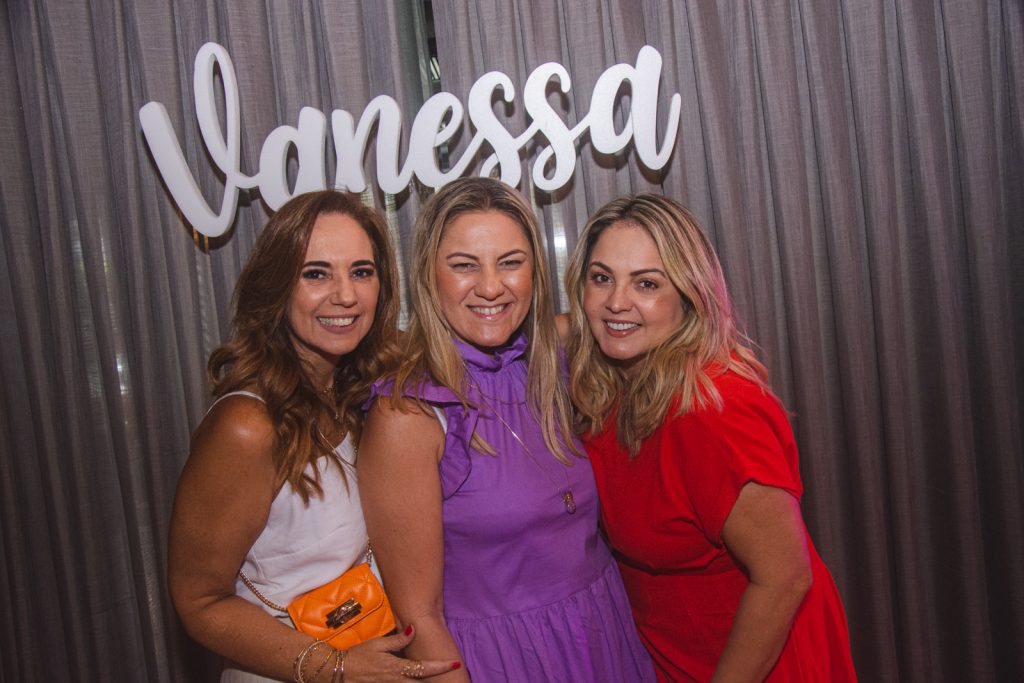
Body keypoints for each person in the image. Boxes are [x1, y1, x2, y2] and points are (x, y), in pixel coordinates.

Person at [358, 177, 656, 683]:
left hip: (603, 633)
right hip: (502, 660)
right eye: (464, 265)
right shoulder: (406, 415)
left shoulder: (555, 359)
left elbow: (657, 319)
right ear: (429, 277)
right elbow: (418, 619)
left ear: (535, 272)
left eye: (510, 262)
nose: (491, 287)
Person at [168, 190, 459, 682]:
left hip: (373, 660)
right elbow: (198, 602)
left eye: (361, 272)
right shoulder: (247, 426)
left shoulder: (361, 392)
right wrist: (337, 668)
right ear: (278, 286)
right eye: (316, 273)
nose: (344, 295)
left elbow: (468, 338)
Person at [564, 193, 857, 682]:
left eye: (647, 283)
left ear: (689, 294)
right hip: (677, 656)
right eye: (601, 278)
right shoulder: (615, 385)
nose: (617, 302)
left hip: (756, 663)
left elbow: (785, 578)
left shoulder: (712, 410)